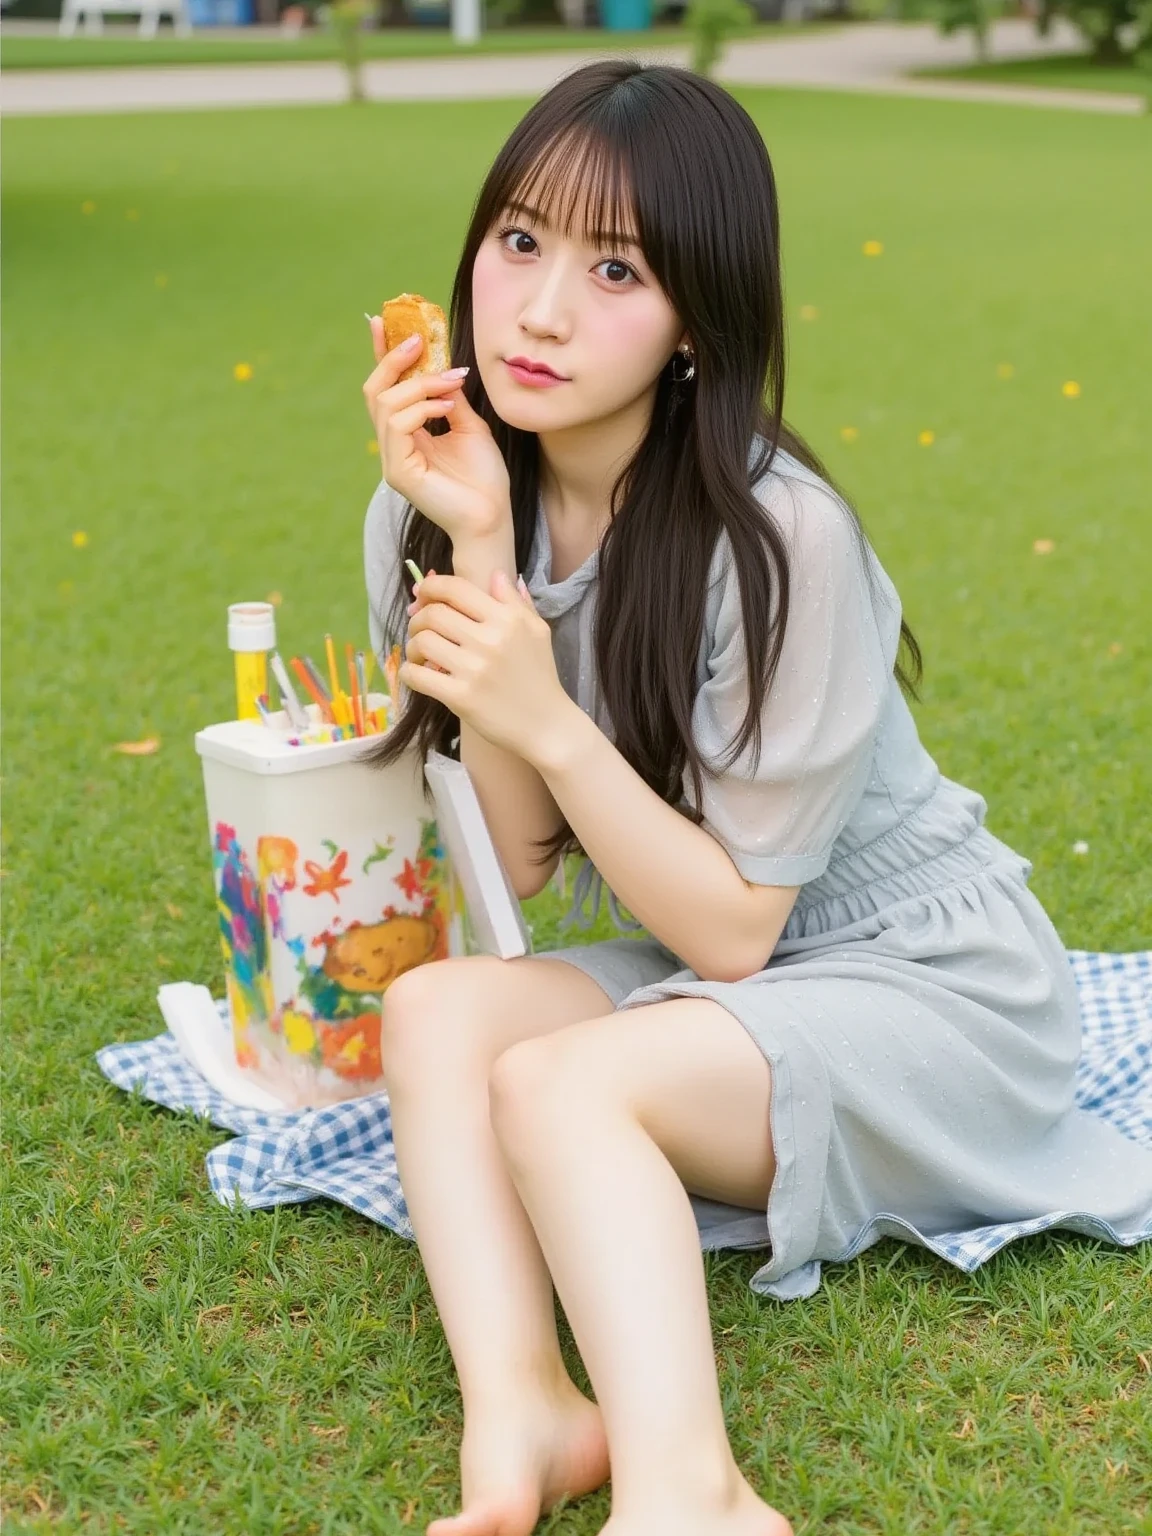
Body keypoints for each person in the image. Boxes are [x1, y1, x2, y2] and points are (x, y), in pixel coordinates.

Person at [360, 60, 1152, 1536]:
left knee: (556, 1080)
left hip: (929, 981)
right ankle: (527, 1411)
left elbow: (733, 935)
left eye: (617, 270)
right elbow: (526, 865)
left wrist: (545, 710)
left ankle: (696, 1498)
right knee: (437, 1010)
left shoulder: (781, 536)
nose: (538, 311)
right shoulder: (440, 499)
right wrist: (477, 547)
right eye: (520, 241)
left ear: (694, 323)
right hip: (738, 968)